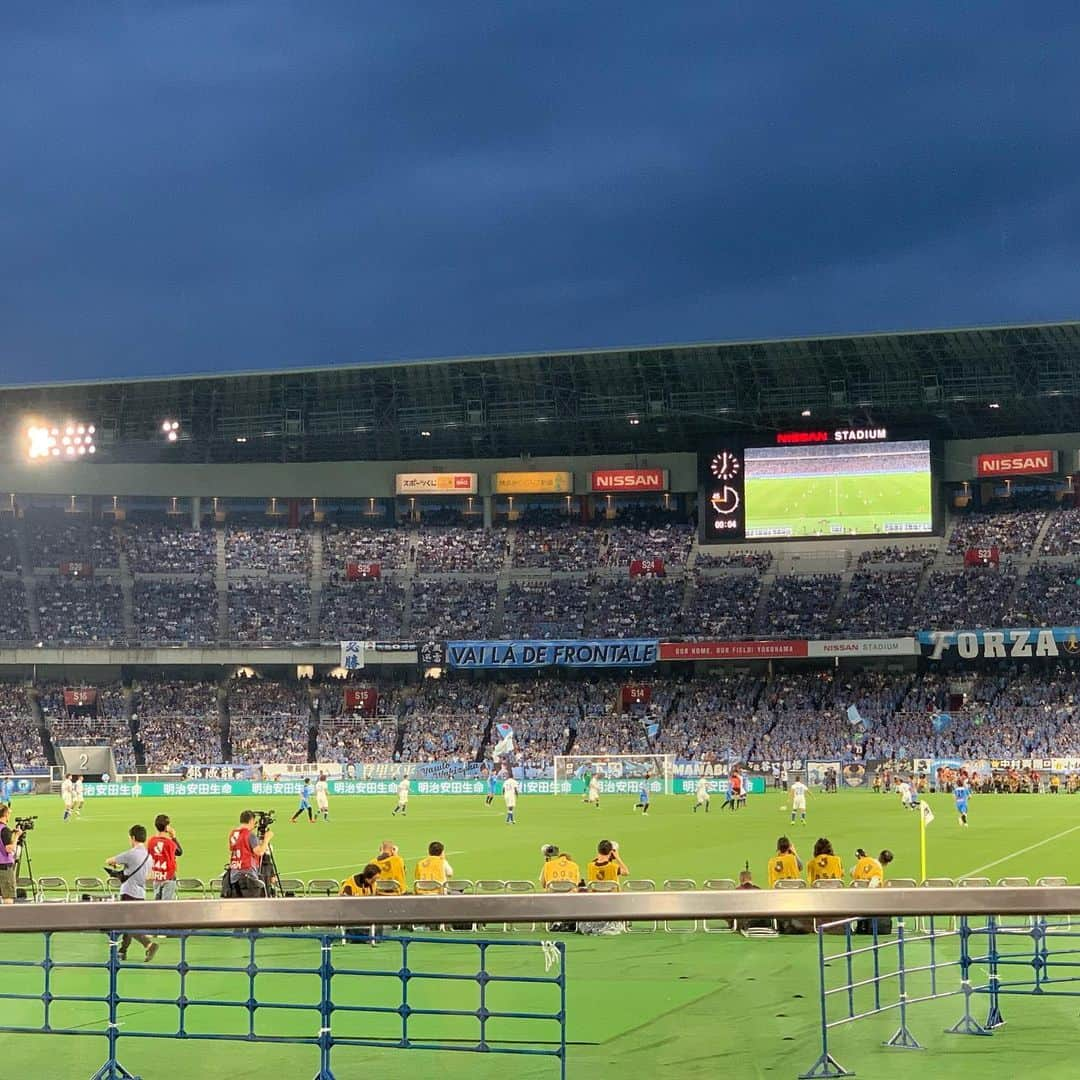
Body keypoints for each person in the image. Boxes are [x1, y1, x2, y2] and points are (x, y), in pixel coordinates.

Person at [106, 824, 158, 963]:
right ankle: (122, 951)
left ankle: (148, 944)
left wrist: (116, 866)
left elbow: (110, 860)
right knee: (130, 922)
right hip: (141, 893)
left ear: (133, 838)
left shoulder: (131, 854)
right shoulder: (149, 857)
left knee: (126, 924)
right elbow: (148, 876)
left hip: (128, 891)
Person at [227, 810, 274, 898]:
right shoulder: (249, 835)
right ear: (251, 820)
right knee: (251, 906)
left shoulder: (233, 834)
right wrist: (266, 839)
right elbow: (259, 852)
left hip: (234, 874)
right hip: (248, 875)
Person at [147, 814, 183, 900]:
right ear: (167, 827)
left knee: (157, 905)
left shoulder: (151, 841)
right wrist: (173, 837)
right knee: (167, 906)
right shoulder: (170, 843)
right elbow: (179, 852)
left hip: (157, 876)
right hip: (168, 877)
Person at [0, 804, 23, 905]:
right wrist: (17, 836)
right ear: (5, 814)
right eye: (9, 813)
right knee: (8, 896)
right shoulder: (4, 830)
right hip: (4, 866)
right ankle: (8, 920)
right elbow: (9, 848)